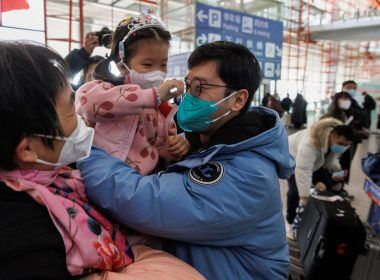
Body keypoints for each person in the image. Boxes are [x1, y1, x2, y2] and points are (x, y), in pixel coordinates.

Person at [77, 41, 295, 279]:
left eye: (200, 88)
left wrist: (88, 147)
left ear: (238, 99)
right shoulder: (207, 145)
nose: (188, 97)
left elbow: (144, 201)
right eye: (188, 86)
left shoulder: (249, 173)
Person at [0, 42, 203, 279]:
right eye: (69, 108)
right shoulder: (24, 237)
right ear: (28, 150)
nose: (81, 120)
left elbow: (162, 148)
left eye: (163, 63)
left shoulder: (59, 177)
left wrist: (176, 147)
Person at [75, 14, 188, 176]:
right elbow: (88, 106)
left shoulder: (161, 111)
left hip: (136, 183)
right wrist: (153, 96)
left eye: (163, 64)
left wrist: (176, 148)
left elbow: (163, 152)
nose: (157, 72)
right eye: (147, 64)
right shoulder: (100, 91)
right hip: (93, 173)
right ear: (122, 66)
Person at [286, 118, 354, 236]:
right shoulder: (311, 142)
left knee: (327, 183)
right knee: (296, 191)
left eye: (347, 145)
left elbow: (330, 159)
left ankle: (316, 217)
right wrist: (304, 196)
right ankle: (291, 223)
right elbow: (303, 170)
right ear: (332, 135)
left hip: (312, 162)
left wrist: (337, 171)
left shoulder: (334, 140)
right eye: (342, 144)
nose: (343, 147)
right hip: (292, 157)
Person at [322, 91, 368, 183]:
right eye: (342, 98)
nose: (346, 101)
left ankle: (339, 186)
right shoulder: (329, 115)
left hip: (345, 146)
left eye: (347, 99)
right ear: (336, 100)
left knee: (343, 166)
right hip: (332, 146)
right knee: (329, 166)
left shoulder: (348, 113)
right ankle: (330, 186)